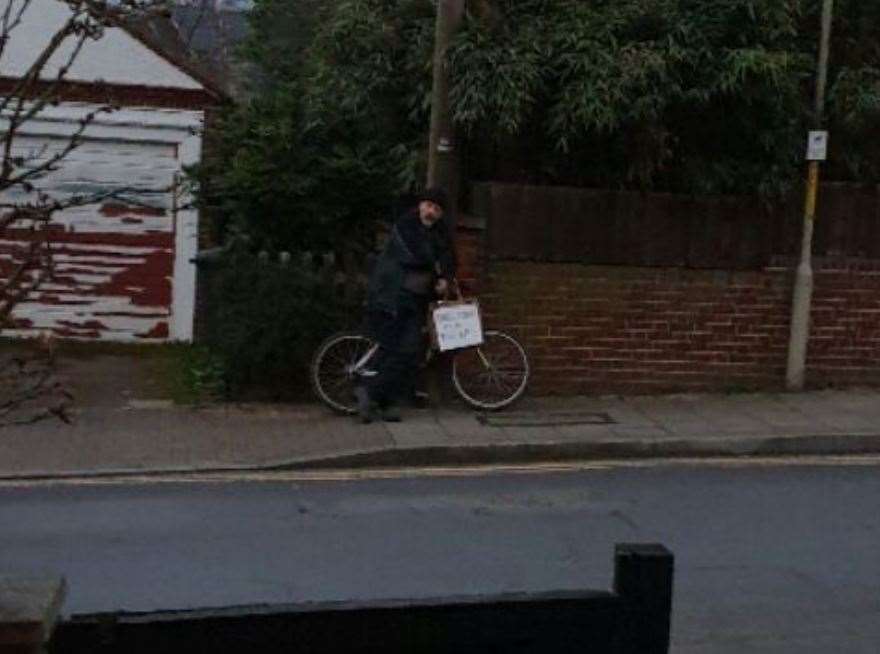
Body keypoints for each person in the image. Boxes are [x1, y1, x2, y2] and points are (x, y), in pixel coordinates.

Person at [355, 187, 456, 423]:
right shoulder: (406, 226)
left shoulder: (439, 232)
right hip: (393, 295)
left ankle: (383, 401)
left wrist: (445, 277)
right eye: (428, 205)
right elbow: (418, 255)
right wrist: (437, 268)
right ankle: (370, 393)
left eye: (437, 209)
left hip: (416, 299)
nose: (431, 212)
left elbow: (450, 257)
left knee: (409, 352)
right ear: (421, 205)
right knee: (395, 348)